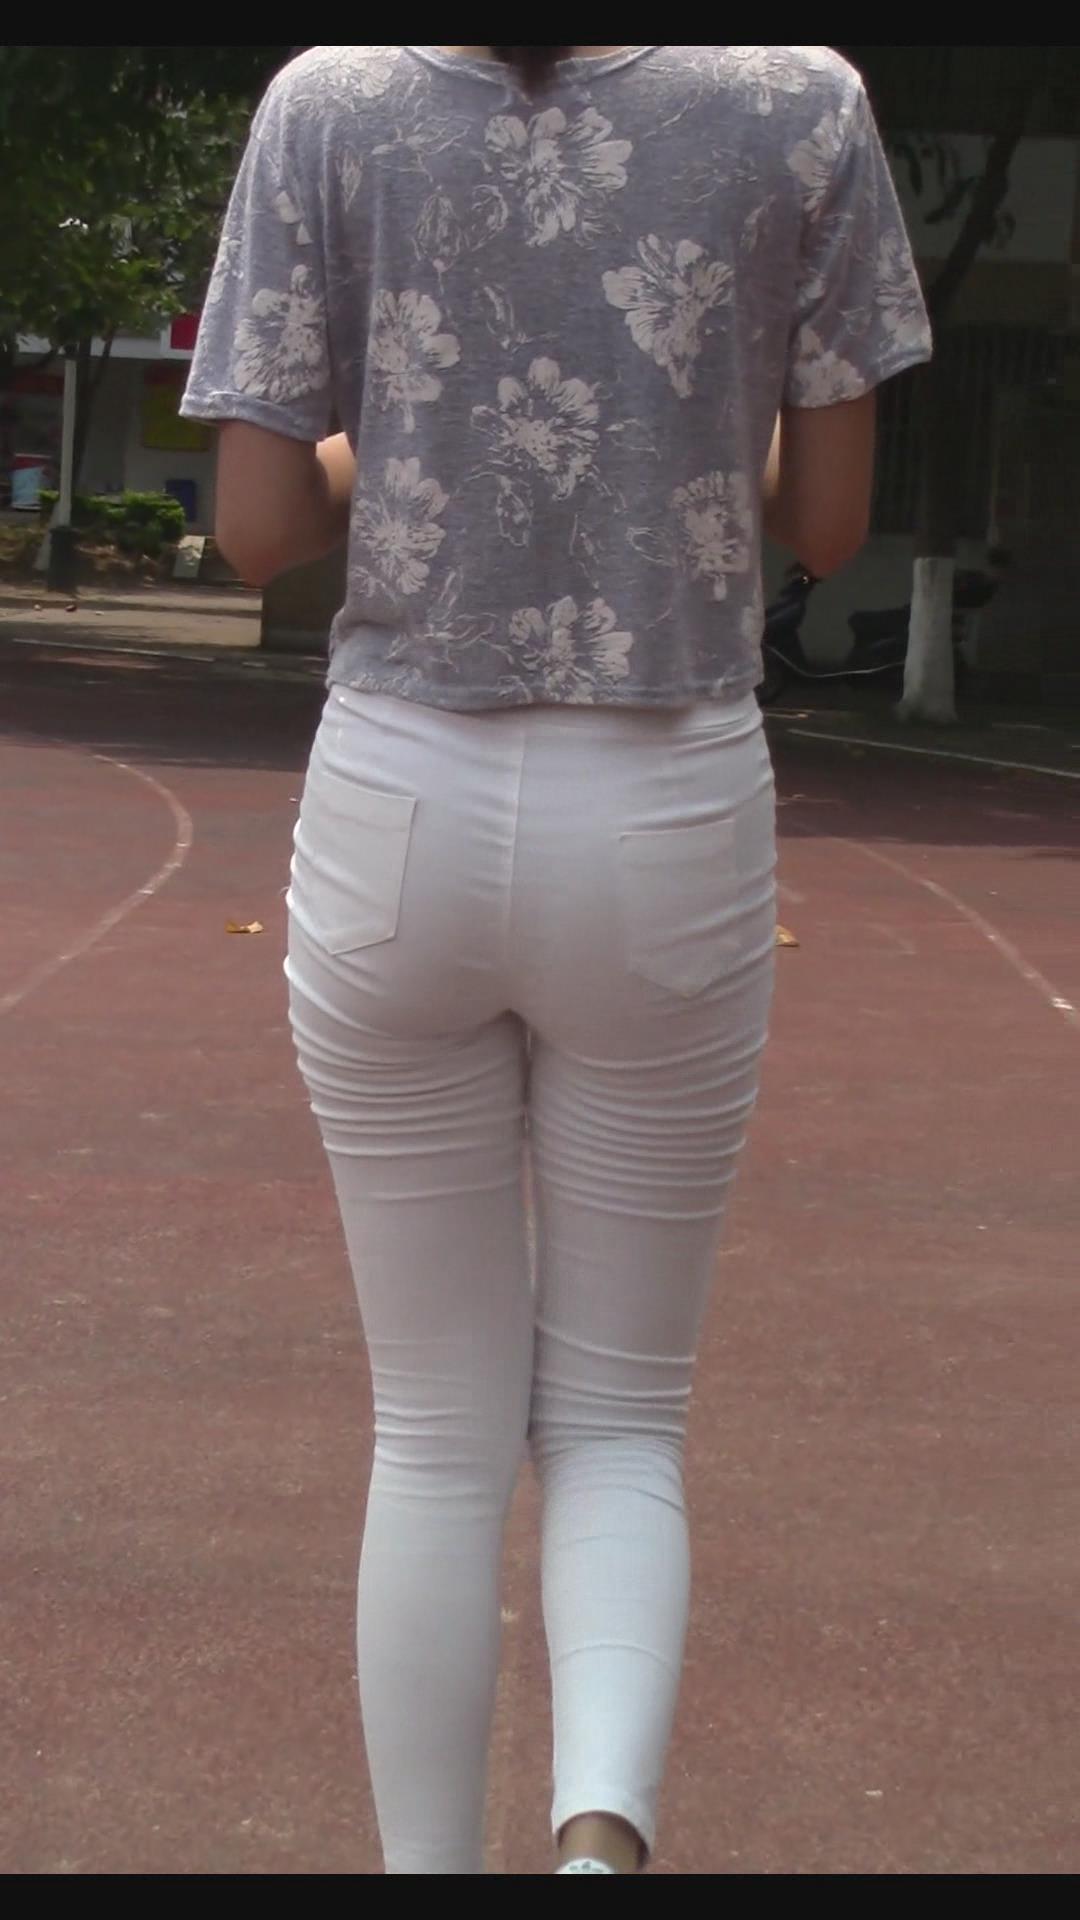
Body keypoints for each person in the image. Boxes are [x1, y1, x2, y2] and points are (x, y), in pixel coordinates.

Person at [182, 44, 931, 1874]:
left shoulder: (327, 106)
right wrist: (683, 416)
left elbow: (256, 532)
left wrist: (391, 439)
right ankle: (599, 1845)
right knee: (619, 1417)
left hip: (401, 800)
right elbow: (830, 523)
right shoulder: (802, 103)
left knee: (436, 1433)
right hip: (665, 800)